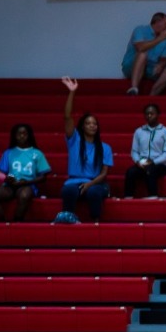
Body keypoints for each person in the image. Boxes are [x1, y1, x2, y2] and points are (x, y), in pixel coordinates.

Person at [57, 78, 111, 224]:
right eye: (88, 123)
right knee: (68, 191)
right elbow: (67, 117)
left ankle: (96, 221)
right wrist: (72, 92)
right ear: (82, 127)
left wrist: (89, 184)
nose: (92, 126)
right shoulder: (75, 141)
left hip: (96, 183)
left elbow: (104, 173)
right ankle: (69, 219)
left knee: (94, 192)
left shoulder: (105, 147)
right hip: (74, 181)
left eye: (94, 123)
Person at [0, 123, 49, 222]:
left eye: (24, 133)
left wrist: (26, 182)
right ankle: (1, 223)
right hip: (10, 184)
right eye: (19, 134)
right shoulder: (8, 152)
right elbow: (1, 173)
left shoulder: (37, 153)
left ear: (29, 135)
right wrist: (7, 178)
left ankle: (17, 222)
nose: (22, 136)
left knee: (24, 195)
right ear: (14, 136)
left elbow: (43, 177)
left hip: (28, 184)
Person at [123, 103, 166, 199]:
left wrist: (153, 162)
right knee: (130, 172)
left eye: (152, 113)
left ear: (158, 114)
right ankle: (128, 198)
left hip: (160, 165)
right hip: (142, 163)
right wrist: (138, 162)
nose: (149, 116)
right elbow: (134, 151)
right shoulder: (139, 131)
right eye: (147, 113)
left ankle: (153, 196)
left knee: (151, 170)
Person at [122, 12, 166, 96]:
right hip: (131, 67)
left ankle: (151, 96)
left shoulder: (165, 40)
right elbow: (140, 48)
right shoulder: (140, 30)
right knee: (143, 54)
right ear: (158, 22)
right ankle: (134, 89)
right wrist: (159, 39)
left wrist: (161, 65)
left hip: (150, 69)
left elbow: (164, 59)